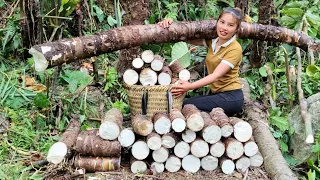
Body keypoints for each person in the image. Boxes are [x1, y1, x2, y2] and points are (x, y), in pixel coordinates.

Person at [159, 7, 244, 117]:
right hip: (217, 95)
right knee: (184, 103)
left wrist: (190, 86)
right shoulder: (214, 41)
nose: (224, 28)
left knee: (185, 105)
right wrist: (172, 26)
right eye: (222, 22)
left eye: (230, 25)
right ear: (217, 22)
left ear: (236, 29)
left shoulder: (235, 48)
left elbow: (216, 76)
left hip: (231, 97)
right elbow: (186, 38)